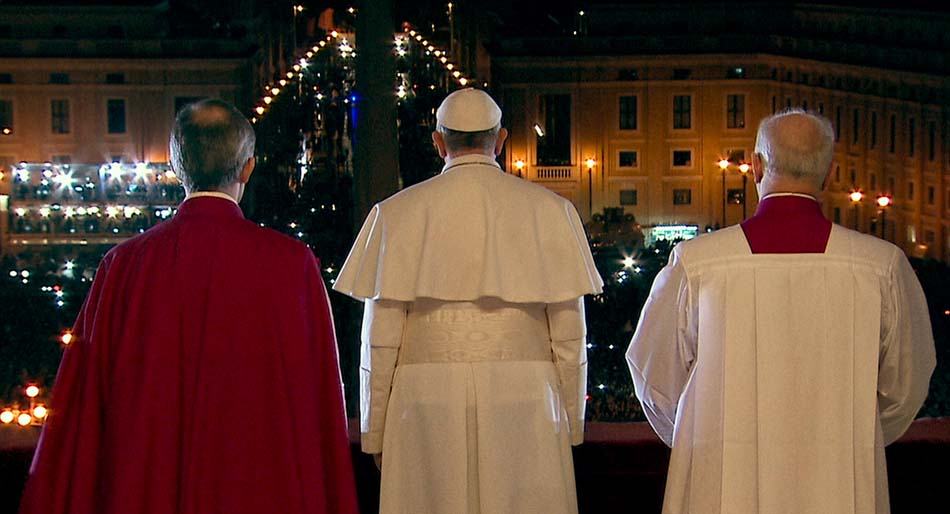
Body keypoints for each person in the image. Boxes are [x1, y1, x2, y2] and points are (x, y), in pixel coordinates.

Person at [19, 99, 359, 514]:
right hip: (261, 488)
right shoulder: (291, 264)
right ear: (248, 168)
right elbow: (318, 400)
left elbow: (83, 407)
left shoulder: (124, 265)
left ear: (177, 167)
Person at [626, 109, 936, 514]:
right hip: (839, 479)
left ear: (756, 166)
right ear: (829, 173)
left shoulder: (697, 263)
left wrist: (704, 438)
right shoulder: (881, 267)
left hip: (725, 480)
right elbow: (905, 387)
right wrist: (849, 435)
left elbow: (654, 379)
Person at [333, 88, 603, 514]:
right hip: (526, 397)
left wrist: (376, 431)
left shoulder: (394, 214)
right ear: (501, 140)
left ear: (438, 142)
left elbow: (379, 341)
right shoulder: (552, 210)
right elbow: (570, 336)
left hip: (424, 402)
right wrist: (570, 423)